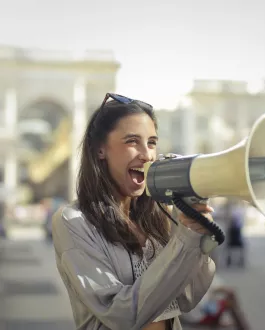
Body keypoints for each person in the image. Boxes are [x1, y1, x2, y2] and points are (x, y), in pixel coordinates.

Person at [52, 93, 217, 330]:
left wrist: (197, 238)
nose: (147, 154)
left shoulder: (159, 214)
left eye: (151, 142)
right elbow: (121, 315)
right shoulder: (73, 222)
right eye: (132, 141)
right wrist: (184, 240)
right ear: (100, 150)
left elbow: (185, 297)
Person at [180, 276, 250, 330]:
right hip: (199, 317)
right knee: (230, 301)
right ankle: (243, 327)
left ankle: (221, 323)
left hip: (189, 317)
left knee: (224, 300)